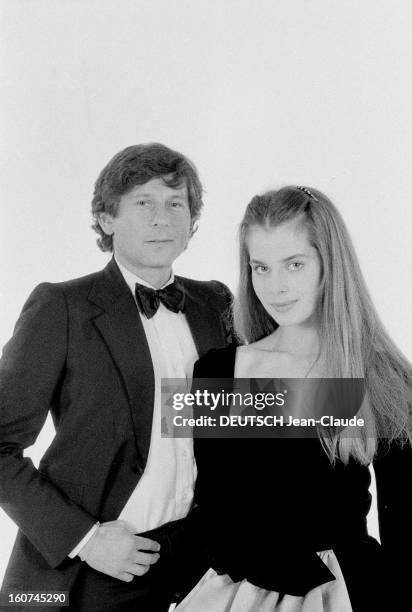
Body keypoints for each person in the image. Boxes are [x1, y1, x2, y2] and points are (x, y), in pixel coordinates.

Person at [0, 143, 232, 611]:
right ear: (107, 219)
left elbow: (241, 418)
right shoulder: (62, 307)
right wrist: (86, 539)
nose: (161, 219)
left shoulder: (216, 305)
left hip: (197, 567)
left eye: (175, 204)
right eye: (143, 203)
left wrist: (356, 402)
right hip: (91, 569)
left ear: (193, 223)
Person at [175, 186, 412, 611]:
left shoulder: (379, 375)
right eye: (260, 267)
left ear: (331, 265)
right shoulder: (216, 370)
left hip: (341, 594)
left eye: (295, 264)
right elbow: (205, 506)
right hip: (228, 595)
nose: (276, 286)